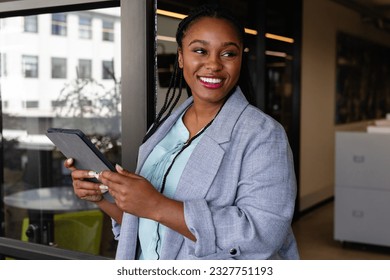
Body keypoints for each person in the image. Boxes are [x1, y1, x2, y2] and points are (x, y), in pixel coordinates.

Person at [65, 4, 299, 260]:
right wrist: (101, 198)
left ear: (240, 59)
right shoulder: (164, 129)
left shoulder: (263, 135)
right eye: (200, 50)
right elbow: (147, 224)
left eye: (228, 54)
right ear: (180, 57)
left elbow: (264, 232)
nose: (213, 64)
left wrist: (157, 205)